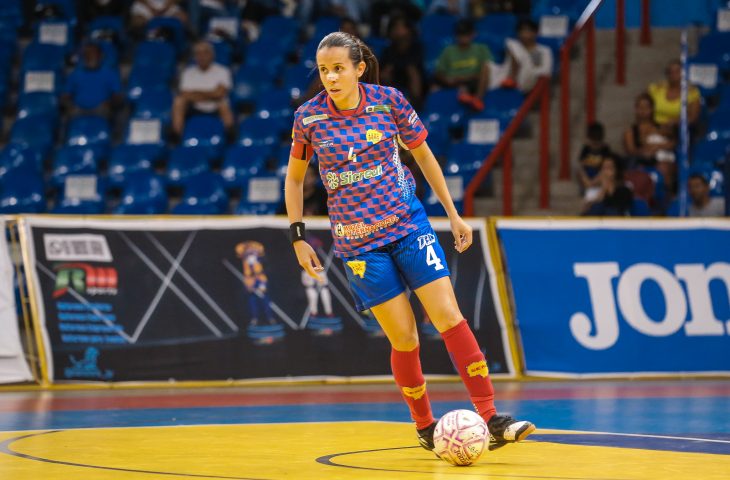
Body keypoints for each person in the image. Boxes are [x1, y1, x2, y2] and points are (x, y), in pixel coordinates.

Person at [284, 31, 535, 452]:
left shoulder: (389, 102)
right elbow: (294, 179)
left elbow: (423, 155)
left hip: (408, 227)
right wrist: (298, 237)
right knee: (405, 340)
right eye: (324, 70)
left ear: (359, 68)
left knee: (449, 315)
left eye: (338, 68)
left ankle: (491, 417)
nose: (330, 77)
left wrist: (453, 214)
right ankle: (424, 426)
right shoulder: (309, 118)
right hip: (359, 246)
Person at [172, 41, 234, 138]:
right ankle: (177, 137)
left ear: (212, 55)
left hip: (215, 106)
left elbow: (220, 93)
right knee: (179, 101)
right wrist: (211, 93)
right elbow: (184, 94)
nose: (202, 56)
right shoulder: (188, 73)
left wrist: (196, 93)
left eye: (205, 52)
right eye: (198, 53)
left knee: (223, 104)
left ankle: (229, 137)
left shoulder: (223, 71)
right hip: (194, 107)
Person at [433, 18, 492, 111]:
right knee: (434, 88)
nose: (463, 37)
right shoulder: (448, 51)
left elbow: (487, 70)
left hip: (474, 83)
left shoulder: (481, 49)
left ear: (473, 34)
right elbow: (439, 72)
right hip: (451, 83)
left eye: (466, 33)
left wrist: (463, 79)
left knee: (482, 76)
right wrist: (447, 80)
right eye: (460, 34)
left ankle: (477, 100)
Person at [623, 92, 676, 193]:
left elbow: (673, 143)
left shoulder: (661, 128)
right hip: (641, 162)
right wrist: (646, 151)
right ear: (636, 109)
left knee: (664, 167)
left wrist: (657, 146)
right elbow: (631, 151)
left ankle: (665, 197)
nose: (643, 111)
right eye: (640, 107)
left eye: (646, 107)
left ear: (652, 109)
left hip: (661, 161)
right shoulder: (630, 132)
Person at [62, 42, 123, 118]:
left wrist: (110, 103)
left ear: (101, 56)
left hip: (101, 108)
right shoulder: (75, 74)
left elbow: (118, 96)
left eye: (93, 54)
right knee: (67, 116)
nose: (90, 56)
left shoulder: (110, 73)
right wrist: (69, 105)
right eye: (87, 54)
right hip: (78, 108)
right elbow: (66, 95)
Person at [380, 16, 426, 110]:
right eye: (394, 27)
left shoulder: (416, 48)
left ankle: (415, 104)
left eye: (399, 27)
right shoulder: (388, 50)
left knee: (413, 72)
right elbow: (384, 71)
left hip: (412, 83)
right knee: (386, 72)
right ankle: (386, 105)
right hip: (394, 80)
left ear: (409, 30)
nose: (396, 30)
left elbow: (414, 68)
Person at [647, 59, 701, 134]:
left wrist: (676, 122)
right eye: (670, 71)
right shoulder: (655, 89)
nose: (673, 74)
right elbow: (644, 110)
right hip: (653, 127)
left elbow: (693, 117)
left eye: (677, 71)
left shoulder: (692, 93)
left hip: (676, 130)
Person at [500, 18, 553, 92]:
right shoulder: (514, 46)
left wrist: (528, 65)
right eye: (521, 31)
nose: (524, 34)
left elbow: (546, 71)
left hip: (531, 80)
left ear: (535, 33)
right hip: (510, 77)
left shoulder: (544, 50)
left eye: (527, 30)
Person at [577, 122, 613, 202]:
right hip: (588, 175)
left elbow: (607, 164)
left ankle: (591, 185)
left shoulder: (605, 149)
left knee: (606, 170)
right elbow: (581, 164)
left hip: (599, 175)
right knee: (579, 169)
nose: (595, 145)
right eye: (593, 143)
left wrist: (593, 182)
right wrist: (586, 179)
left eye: (597, 143)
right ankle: (586, 186)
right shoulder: (586, 148)